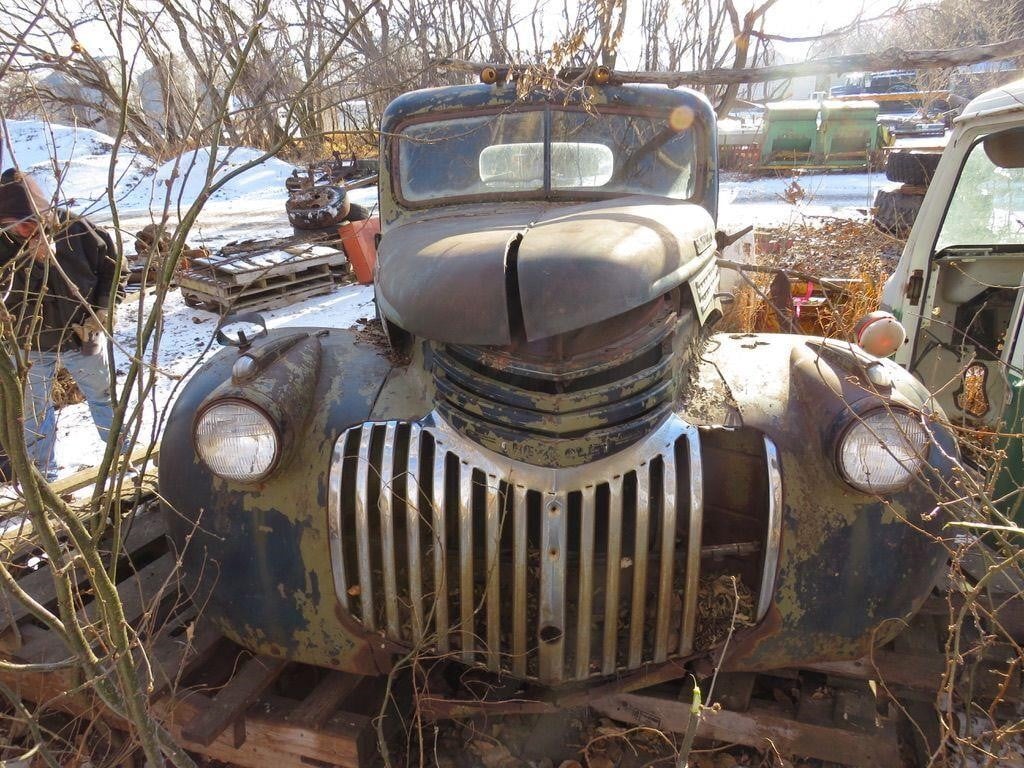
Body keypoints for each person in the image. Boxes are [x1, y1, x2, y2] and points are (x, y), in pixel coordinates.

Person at [0, 170, 126, 481]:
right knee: (33, 415)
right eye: (11, 226)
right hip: (31, 344)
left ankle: (124, 460)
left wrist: (103, 310)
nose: (22, 231)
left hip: (82, 334)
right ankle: (44, 479)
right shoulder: (3, 243)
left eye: (28, 222)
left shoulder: (78, 229)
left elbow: (114, 267)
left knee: (103, 397)